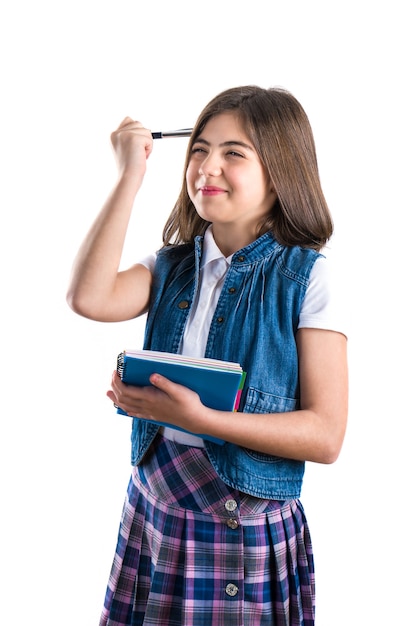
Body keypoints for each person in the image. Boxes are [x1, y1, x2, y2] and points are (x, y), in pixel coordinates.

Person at [67, 85, 348, 626]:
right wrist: (130, 175)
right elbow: (89, 297)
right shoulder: (170, 266)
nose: (206, 167)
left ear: (281, 170)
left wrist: (202, 420)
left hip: (242, 529)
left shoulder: (307, 280)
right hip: (156, 512)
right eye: (199, 149)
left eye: (232, 153)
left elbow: (326, 435)